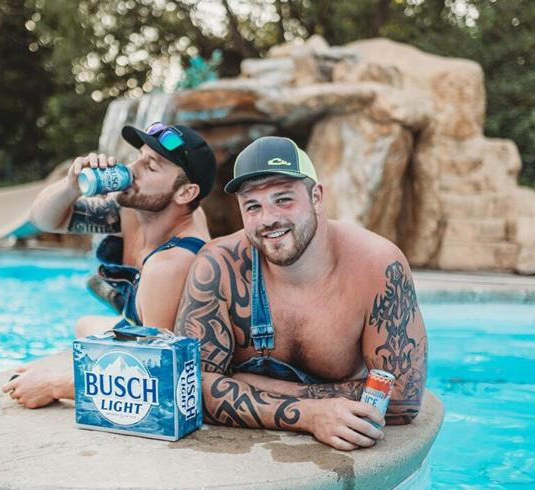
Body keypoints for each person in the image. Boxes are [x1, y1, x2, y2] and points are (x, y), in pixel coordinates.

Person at [174, 136, 428, 451]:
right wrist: (308, 415)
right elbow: (188, 386)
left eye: (283, 199)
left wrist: (251, 384)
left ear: (317, 197)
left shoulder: (377, 265)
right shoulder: (218, 266)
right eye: (253, 206)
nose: (268, 219)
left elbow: (404, 399)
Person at [3, 123, 217, 408]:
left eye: (150, 166)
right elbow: (44, 219)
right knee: (83, 325)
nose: (133, 169)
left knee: (85, 346)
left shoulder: (172, 262)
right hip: (141, 323)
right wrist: (71, 185)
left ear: (185, 193)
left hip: (176, 359)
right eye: (139, 156)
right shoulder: (139, 211)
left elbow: (157, 375)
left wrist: (56, 382)